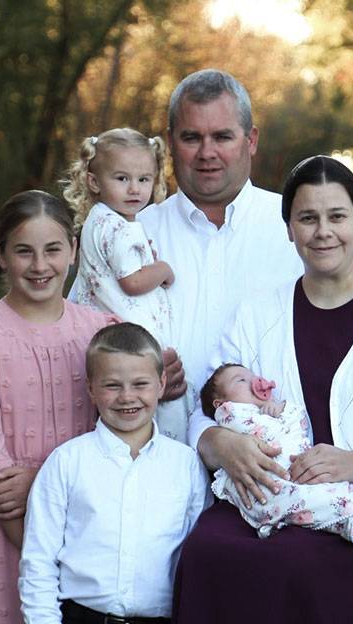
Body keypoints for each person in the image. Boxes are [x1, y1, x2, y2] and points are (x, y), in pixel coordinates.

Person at [173, 156, 353, 624]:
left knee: (297, 566)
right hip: (270, 501)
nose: (323, 231)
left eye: (337, 217)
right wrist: (219, 442)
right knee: (205, 553)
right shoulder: (255, 313)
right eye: (307, 218)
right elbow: (206, 407)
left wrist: (350, 463)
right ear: (289, 228)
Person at [0, 190, 119, 624]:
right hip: (5, 529)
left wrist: (42, 482)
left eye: (53, 249)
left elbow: (119, 437)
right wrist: (45, 560)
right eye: (24, 251)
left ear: (74, 250)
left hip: (85, 524)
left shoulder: (101, 333)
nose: (40, 266)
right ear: (0, 255)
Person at [19, 322, 209, 624]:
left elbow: (199, 554)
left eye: (140, 384)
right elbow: (38, 563)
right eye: (112, 385)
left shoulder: (185, 464)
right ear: (91, 388)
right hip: (82, 620)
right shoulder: (66, 462)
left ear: (161, 384)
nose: (126, 396)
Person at [134, 68, 304, 405]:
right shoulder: (133, 233)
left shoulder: (298, 229)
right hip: (154, 449)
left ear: (251, 140)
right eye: (191, 137)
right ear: (170, 143)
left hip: (272, 449)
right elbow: (79, 340)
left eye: (222, 137)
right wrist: (133, 379)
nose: (206, 152)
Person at [65, 127, 190, 441]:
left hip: (102, 328)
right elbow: (133, 282)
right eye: (121, 179)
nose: (134, 189)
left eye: (144, 179)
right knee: (163, 405)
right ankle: (173, 448)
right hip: (131, 330)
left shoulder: (98, 218)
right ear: (94, 181)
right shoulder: (121, 227)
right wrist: (161, 270)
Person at [200, 363, 353, 544]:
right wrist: (277, 417)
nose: (254, 382)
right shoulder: (230, 414)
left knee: (315, 491)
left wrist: (282, 410)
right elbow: (264, 434)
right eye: (241, 380)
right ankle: (347, 516)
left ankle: (346, 510)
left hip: (292, 468)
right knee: (300, 499)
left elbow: (299, 425)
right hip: (266, 480)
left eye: (253, 377)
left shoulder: (266, 411)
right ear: (220, 403)